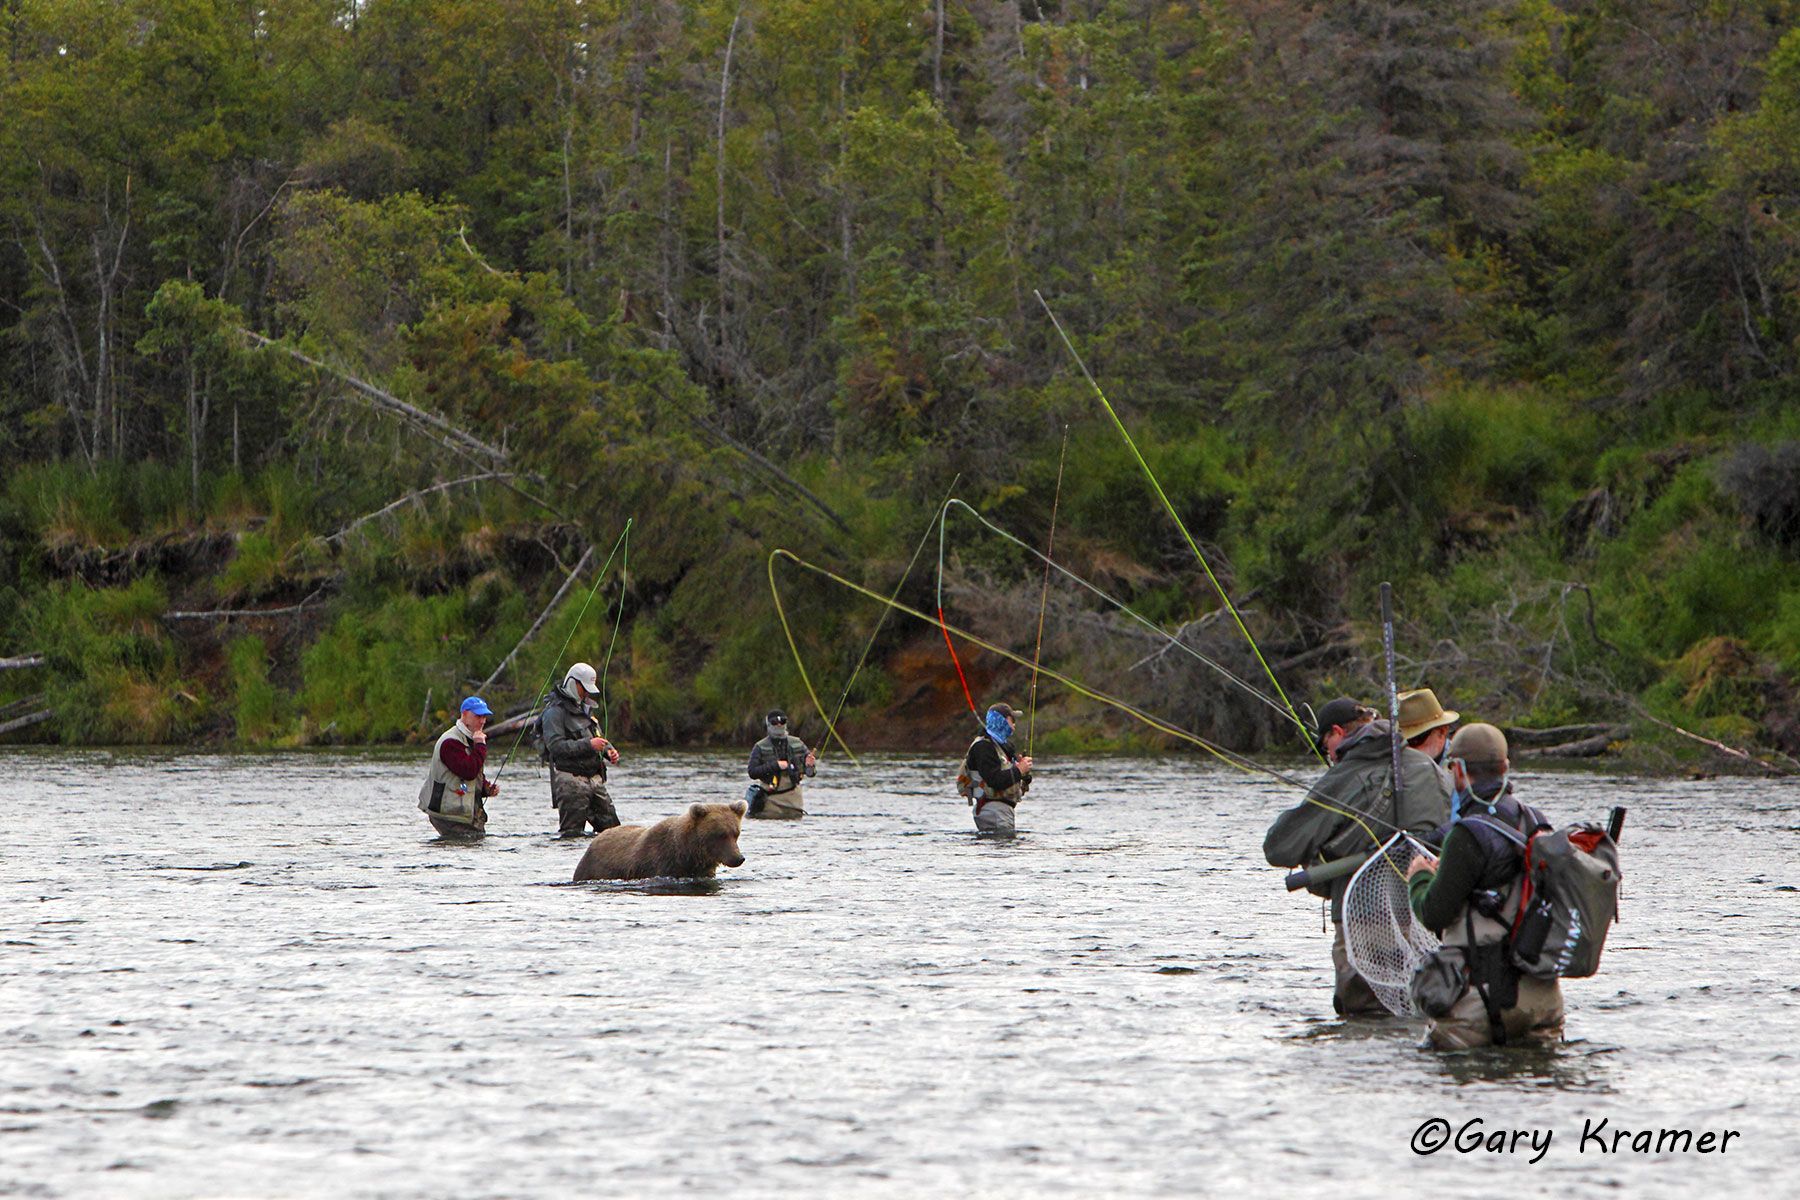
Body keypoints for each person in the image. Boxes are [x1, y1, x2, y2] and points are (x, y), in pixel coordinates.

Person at [1263, 696, 1452, 1016]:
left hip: (1363, 921)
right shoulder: (1432, 771)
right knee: (1418, 1017)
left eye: (1326, 746)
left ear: (1337, 732)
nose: (1329, 756)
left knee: (1361, 1021)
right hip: (1427, 920)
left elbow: (1279, 847)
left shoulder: (1346, 774)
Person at [1405, 723, 1564, 1049]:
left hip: (1482, 998)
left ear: (1459, 770)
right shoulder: (1536, 821)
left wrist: (1420, 877)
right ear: (1505, 768)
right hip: (1543, 998)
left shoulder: (1464, 836)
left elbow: (1433, 913)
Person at [539, 662, 622, 838]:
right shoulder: (554, 712)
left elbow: (598, 736)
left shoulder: (585, 709)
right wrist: (589, 745)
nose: (586, 693)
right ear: (573, 683)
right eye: (583, 688)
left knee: (613, 833)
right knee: (572, 835)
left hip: (594, 779)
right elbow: (555, 746)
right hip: (571, 780)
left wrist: (609, 751)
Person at [419, 696, 501, 837]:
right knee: (472, 846)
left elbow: (466, 775)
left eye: (484, 717)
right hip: (448, 815)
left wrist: (485, 789)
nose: (482, 721)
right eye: (478, 716)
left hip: (457, 813)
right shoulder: (450, 742)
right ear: (464, 715)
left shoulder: (470, 739)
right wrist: (480, 745)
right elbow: (468, 771)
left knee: (477, 844)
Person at [958, 702, 1033, 837]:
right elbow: (994, 780)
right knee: (1002, 854)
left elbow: (1010, 780)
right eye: (1012, 720)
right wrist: (1019, 770)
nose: (1014, 724)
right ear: (1002, 721)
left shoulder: (1003, 748)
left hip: (1000, 811)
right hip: (992, 811)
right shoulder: (983, 747)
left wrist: (1024, 773)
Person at [746, 709, 816, 819]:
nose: (779, 725)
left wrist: (810, 766)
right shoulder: (759, 746)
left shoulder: (798, 744)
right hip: (770, 799)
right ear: (768, 725)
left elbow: (811, 773)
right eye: (774, 722)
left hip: (794, 800)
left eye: (782, 721)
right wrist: (775, 765)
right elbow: (752, 772)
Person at [1397, 687, 1458, 793]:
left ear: (1441, 732)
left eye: (1416, 740)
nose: (1409, 749)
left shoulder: (1461, 771)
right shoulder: (1393, 769)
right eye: (1401, 741)